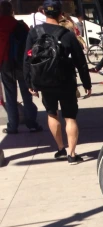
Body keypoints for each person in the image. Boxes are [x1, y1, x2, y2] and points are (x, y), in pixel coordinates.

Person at [24, 0, 92, 164]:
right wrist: (86, 83)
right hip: (66, 81)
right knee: (70, 117)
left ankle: (61, 148)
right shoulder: (67, 34)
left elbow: (27, 59)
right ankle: (72, 154)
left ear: (43, 13)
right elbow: (80, 61)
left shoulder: (34, 33)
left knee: (51, 113)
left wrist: (30, 83)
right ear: (60, 13)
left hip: (45, 81)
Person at [0, 0, 41, 134]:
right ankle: (32, 123)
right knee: (26, 94)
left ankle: (13, 125)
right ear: (11, 11)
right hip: (21, 64)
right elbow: (30, 44)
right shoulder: (20, 25)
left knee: (10, 96)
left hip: (5, 65)